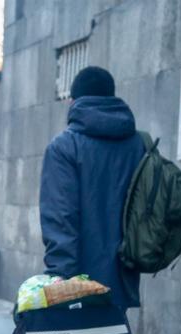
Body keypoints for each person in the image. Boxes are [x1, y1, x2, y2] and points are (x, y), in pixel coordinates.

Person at [39, 66, 144, 308]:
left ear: (74, 101)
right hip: (123, 274)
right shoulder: (138, 144)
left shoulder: (64, 147)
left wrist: (61, 278)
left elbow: (60, 217)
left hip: (77, 282)